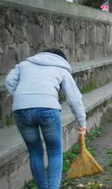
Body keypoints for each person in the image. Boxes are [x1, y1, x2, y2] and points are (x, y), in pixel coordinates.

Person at [5, 49, 87, 189]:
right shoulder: (61, 68)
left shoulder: (24, 65)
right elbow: (74, 99)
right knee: (54, 152)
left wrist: (22, 97)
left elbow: (9, 81)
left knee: (35, 151)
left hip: (21, 110)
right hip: (48, 109)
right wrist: (82, 123)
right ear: (61, 59)